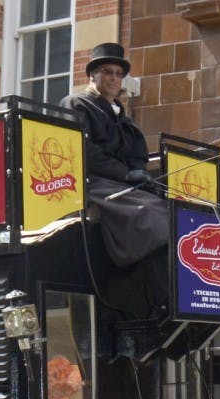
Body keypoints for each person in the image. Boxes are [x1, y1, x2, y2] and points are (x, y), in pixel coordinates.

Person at [60, 44, 168, 270]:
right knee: (149, 213)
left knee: (169, 207)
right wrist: (126, 174)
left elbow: (137, 154)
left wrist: (139, 173)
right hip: (93, 182)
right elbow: (85, 151)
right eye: (108, 72)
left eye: (119, 74)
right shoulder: (76, 104)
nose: (114, 78)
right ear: (92, 75)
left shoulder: (123, 117)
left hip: (123, 183)